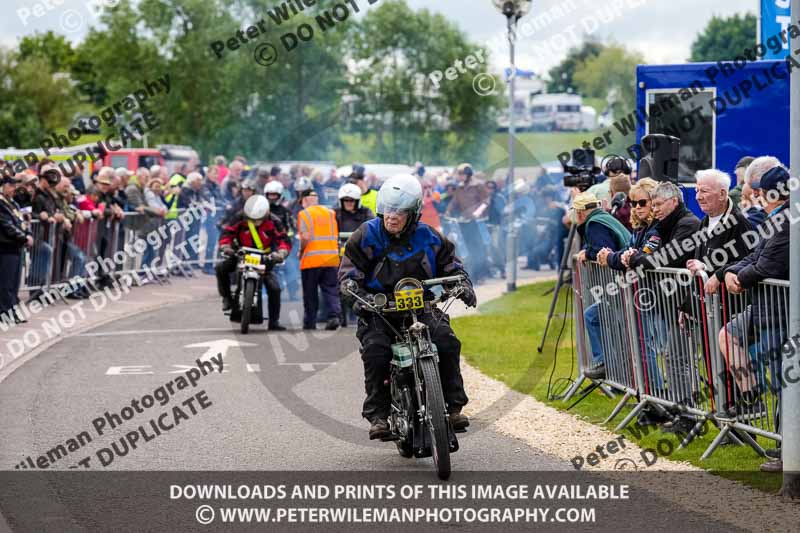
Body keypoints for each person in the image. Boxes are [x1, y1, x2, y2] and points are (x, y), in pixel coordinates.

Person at [338, 174, 477, 439]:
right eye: (388, 211)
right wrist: (352, 290)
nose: (391, 217)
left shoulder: (429, 237)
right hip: (378, 309)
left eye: (399, 212)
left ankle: (453, 406)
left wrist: (463, 285)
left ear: (413, 214)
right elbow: (348, 273)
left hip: (421, 305)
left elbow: (452, 265)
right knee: (375, 350)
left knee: (447, 341)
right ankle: (378, 415)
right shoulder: (365, 235)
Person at [718, 166, 791, 473]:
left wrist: (740, 278)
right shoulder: (776, 219)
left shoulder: (787, 221)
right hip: (767, 310)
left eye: (762, 192)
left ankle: (790, 450)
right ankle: (785, 444)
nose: (757, 197)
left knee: (785, 384)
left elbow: (767, 265)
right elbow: (755, 256)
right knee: (780, 383)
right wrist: (729, 272)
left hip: (779, 312)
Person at [597, 178, 664, 416]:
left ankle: (656, 399)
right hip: (639, 295)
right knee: (641, 347)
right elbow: (627, 256)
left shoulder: (656, 230)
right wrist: (618, 257)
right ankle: (648, 396)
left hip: (653, 297)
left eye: (642, 202)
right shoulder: (641, 229)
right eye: (632, 202)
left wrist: (614, 258)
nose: (636, 207)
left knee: (650, 349)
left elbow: (636, 259)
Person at [574, 191, 632, 379]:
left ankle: (605, 365)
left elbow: (604, 250)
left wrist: (588, 253)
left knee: (592, 316)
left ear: (581, 213)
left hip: (621, 284)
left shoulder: (594, 224)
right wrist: (588, 250)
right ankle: (618, 373)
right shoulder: (603, 218)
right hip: (624, 282)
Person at [216, 195, 290, 330]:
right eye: (252, 219)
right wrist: (226, 247)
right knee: (220, 268)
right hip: (241, 254)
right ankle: (226, 297)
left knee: (275, 288)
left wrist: (281, 253)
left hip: (265, 257)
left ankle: (274, 322)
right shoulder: (239, 217)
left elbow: (283, 240)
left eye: (259, 219)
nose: (256, 222)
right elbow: (227, 233)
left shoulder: (275, 221)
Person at [297, 191, 341, 330]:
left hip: (312, 260)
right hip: (331, 258)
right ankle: (334, 316)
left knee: (310, 293)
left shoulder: (304, 214)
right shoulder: (330, 213)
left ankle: (310, 322)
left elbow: (305, 237)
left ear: (304, 200)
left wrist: (301, 251)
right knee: (330, 290)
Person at [0, 175, 33, 323]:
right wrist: (24, 237)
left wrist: (28, 233)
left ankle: (11, 310)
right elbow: (6, 226)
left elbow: (22, 221)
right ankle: (5, 312)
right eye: (11, 186)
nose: (14, 189)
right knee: (6, 283)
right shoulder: (1, 204)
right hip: (6, 247)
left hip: (15, 246)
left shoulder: (12, 203)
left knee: (14, 283)